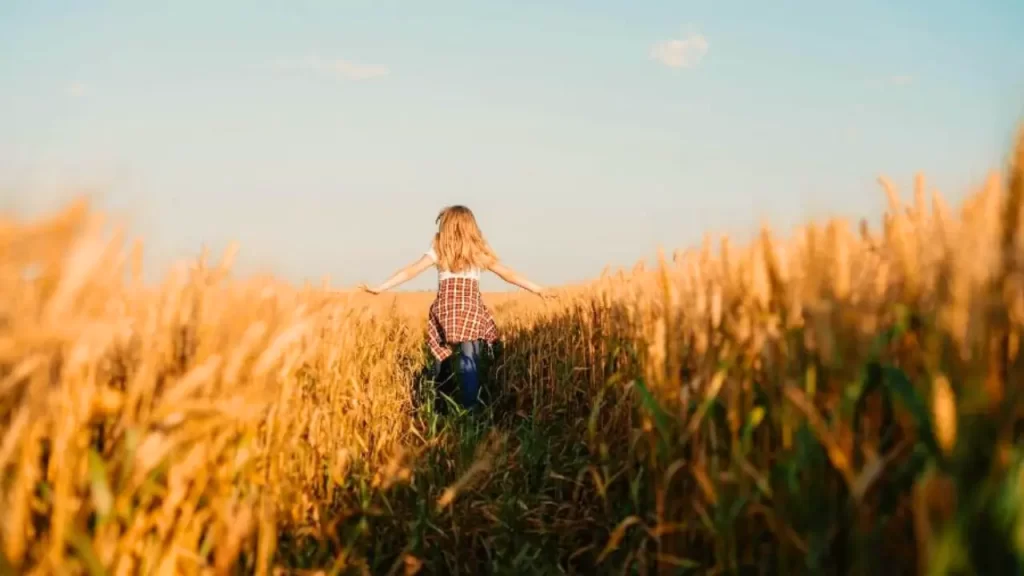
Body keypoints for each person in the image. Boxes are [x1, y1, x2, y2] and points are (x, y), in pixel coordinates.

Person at [359, 205, 552, 409]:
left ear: (447, 226)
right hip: (470, 309)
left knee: (440, 357)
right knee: (470, 361)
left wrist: (382, 287)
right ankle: (471, 410)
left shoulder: (439, 251)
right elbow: (508, 274)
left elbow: (410, 271)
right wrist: (538, 289)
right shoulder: (477, 253)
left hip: (445, 311)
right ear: (471, 227)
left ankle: (439, 405)